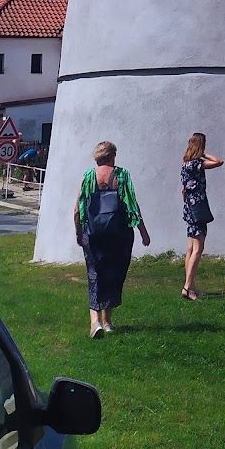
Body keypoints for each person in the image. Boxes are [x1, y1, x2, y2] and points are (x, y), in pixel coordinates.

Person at [74, 140, 150, 338]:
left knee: (94, 274)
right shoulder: (121, 175)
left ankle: (95, 322)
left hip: (93, 233)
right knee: (114, 274)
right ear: (112, 156)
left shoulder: (89, 176)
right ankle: (107, 321)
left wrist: (78, 232)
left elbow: (78, 208)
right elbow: (131, 205)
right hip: (119, 233)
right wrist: (143, 231)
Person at [181, 132, 224, 300]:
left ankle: (190, 286)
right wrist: (204, 154)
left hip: (189, 207)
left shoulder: (185, 164)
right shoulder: (196, 164)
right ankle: (187, 287)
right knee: (198, 249)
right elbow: (219, 161)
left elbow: (184, 189)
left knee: (190, 248)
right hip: (198, 208)